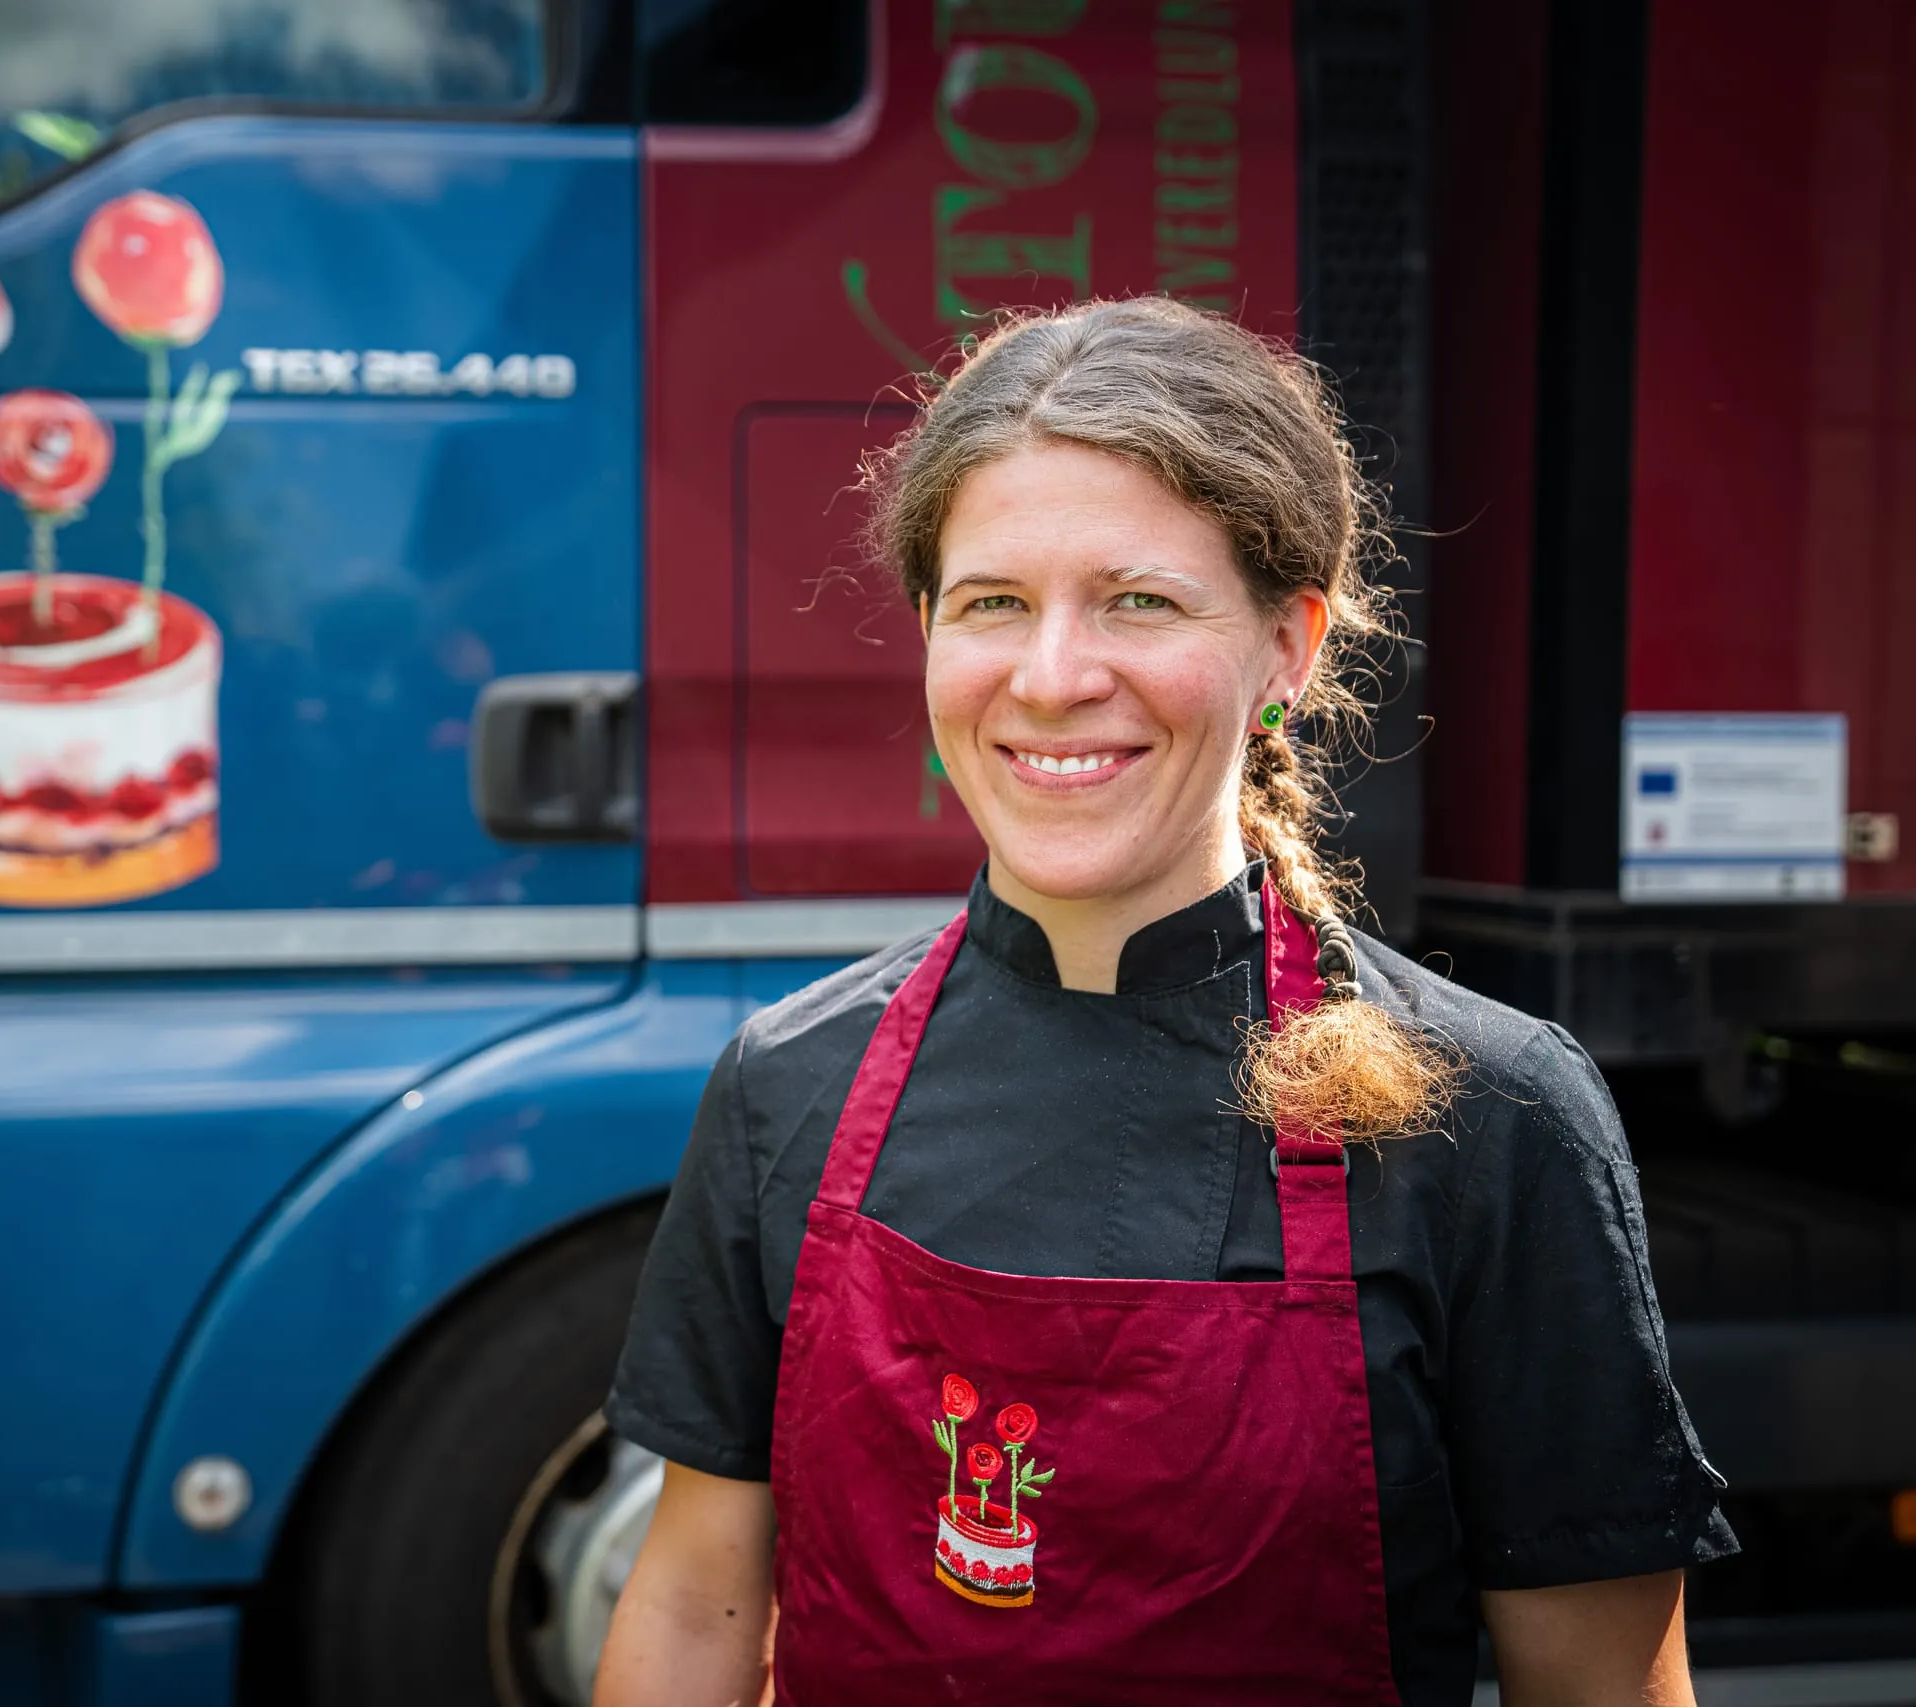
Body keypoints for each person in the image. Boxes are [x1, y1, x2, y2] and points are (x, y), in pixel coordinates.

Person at [592, 298, 1734, 1707]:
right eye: (992, 602)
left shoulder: (1492, 1117)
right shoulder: (786, 1083)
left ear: (1287, 648)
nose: (1055, 676)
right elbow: (697, 1610)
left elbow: (1603, 1689)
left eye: (1140, 600)